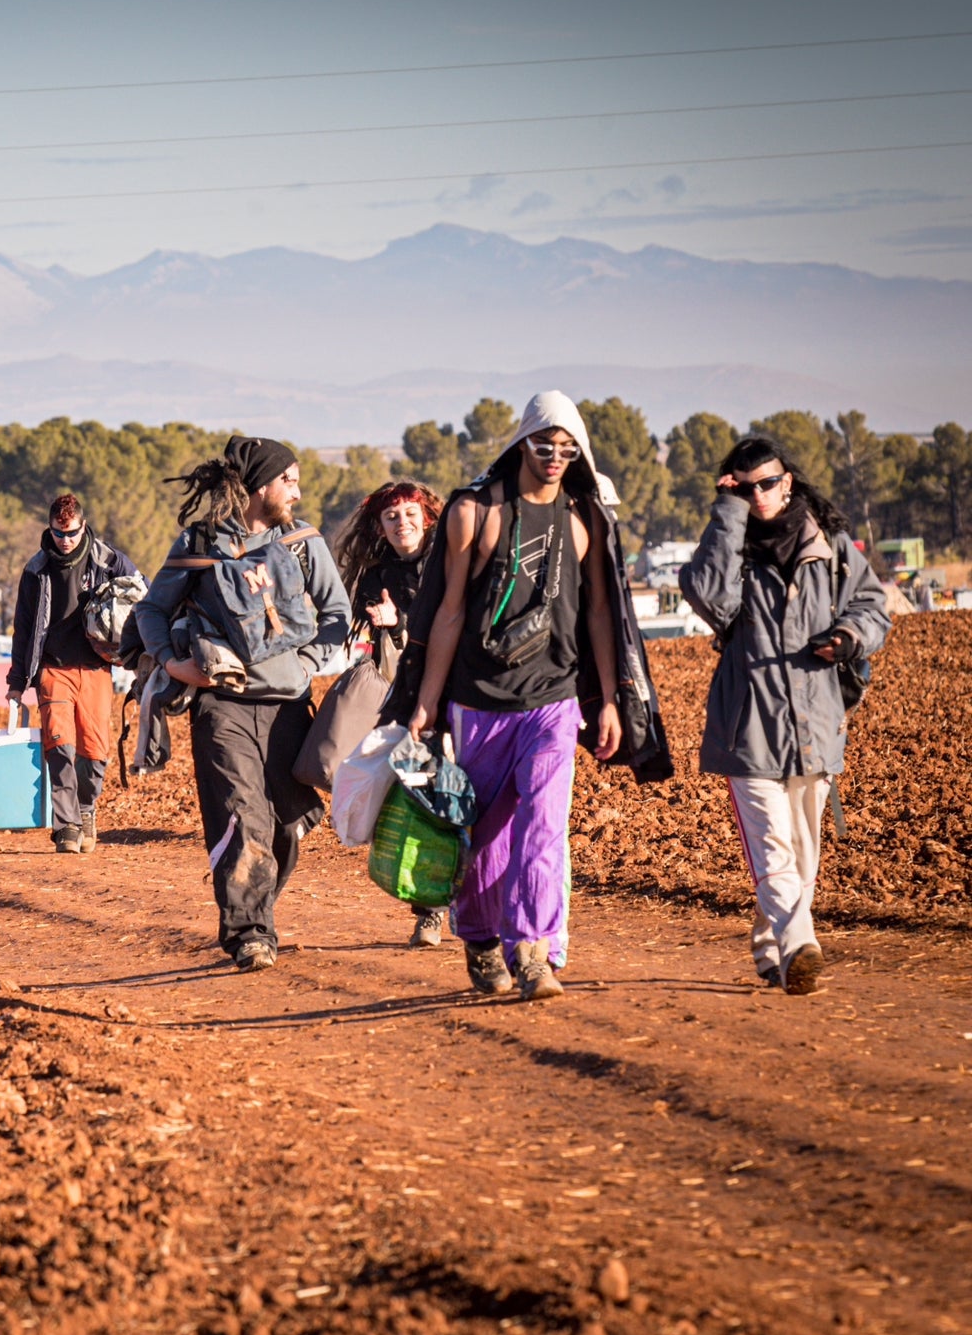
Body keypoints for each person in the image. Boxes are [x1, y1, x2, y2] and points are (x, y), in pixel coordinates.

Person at [384, 392, 672, 1002]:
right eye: (545, 445)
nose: (555, 457)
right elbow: (449, 611)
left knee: (542, 827)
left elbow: (601, 613)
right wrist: (427, 703)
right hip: (478, 701)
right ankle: (483, 938)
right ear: (522, 443)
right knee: (483, 833)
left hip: (553, 700)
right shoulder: (474, 512)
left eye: (567, 449)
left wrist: (611, 700)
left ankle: (535, 952)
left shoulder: (585, 518)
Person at [679, 435, 889, 996]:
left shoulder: (832, 547)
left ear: (787, 481)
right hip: (747, 727)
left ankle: (773, 950)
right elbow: (706, 595)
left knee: (801, 851)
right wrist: (726, 514)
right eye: (745, 488)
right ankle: (800, 946)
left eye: (768, 483)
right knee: (772, 846)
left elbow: (872, 607)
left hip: (816, 724)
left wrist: (849, 636)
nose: (759, 494)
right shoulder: (729, 546)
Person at [134, 436, 351, 971]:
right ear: (261, 487)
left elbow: (337, 613)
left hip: (287, 706)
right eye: (289, 481)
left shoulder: (303, 543)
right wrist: (170, 663)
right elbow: (150, 611)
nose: (297, 492)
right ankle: (250, 932)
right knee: (240, 815)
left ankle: (257, 907)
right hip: (222, 708)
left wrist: (306, 665)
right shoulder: (200, 543)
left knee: (283, 825)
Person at [330, 480, 445, 945]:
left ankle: (468, 901)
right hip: (410, 703)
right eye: (391, 516)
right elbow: (377, 634)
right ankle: (431, 909)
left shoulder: (451, 560)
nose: (402, 523)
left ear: (428, 516)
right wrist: (388, 623)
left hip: (462, 694)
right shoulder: (378, 576)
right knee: (421, 801)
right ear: (379, 526)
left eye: (410, 513)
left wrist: (404, 621)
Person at [6, 493, 141, 854]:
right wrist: (17, 682)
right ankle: (65, 825)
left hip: (97, 666)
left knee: (94, 751)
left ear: (83, 526)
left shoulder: (109, 560)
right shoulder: (36, 570)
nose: (65, 541)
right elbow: (21, 626)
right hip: (53, 667)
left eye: (72, 533)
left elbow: (142, 596)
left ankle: (86, 809)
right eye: (58, 534)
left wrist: (142, 653)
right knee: (59, 743)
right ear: (49, 529)